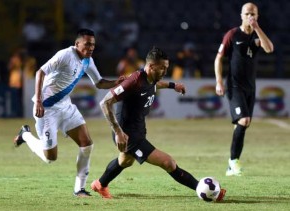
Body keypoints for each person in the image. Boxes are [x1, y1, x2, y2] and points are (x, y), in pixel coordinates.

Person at [90, 47, 226, 201]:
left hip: (138, 128)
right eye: (162, 68)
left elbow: (155, 84)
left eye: (166, 67)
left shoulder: (151, 78)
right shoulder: (134, 80)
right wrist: (118, 132)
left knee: (125, 161)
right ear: (151, 67)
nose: (165, 71)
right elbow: (105, 102)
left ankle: (100, 184)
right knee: (168, 162)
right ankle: (203, 189)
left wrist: (173, 86)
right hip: (128, 134)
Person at [13, 28, 125, 197]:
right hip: (47, 109)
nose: (91, 47)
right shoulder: (65, 55)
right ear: (77, 44)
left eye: (93, 45)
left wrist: (116, 82)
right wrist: (38, 101)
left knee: (87, 144)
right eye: (87, 44)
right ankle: (25, 135)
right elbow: (40, 72)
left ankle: (79, 189)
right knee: (50, 158)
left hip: (66, 107)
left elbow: (99, 83)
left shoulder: (88, 60)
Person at [214, 2, 274, 176]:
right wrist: (219, 81)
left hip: (250, 88)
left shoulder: (256, 39)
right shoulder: (232, 34)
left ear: (257, 16)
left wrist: (257, 28)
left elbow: (269, 48)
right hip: (234, 86)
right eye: (247, 13)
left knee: (241, 125)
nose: (250, 17)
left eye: (253, 14)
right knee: (244, 120)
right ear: (241, 15)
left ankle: (231, 166)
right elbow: (219, 58)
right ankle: (233, 162)